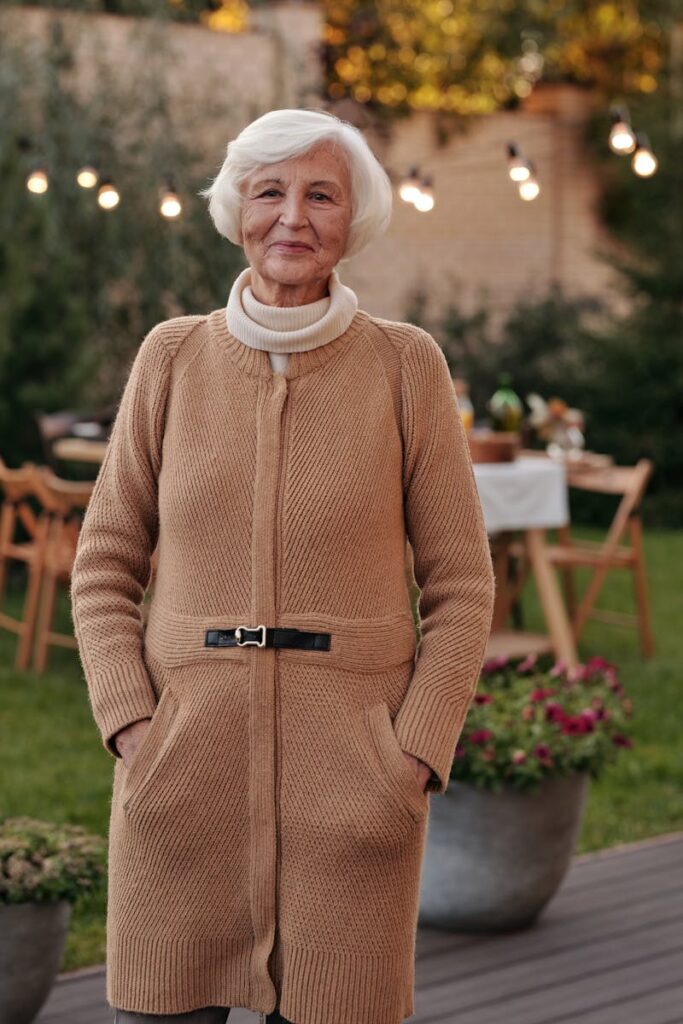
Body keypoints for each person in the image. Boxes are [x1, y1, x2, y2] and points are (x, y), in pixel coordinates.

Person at [70, 107, 495, 1024]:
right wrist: (133, 724)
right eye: (270, 191)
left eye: (320, 195)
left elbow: (461, 586)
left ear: (353, 220)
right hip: (181, 775)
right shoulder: (172, 358)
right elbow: (104, 562)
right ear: (237, 208)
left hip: (354, 783)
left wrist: (415, 751)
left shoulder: (404, 366)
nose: (292, 217)